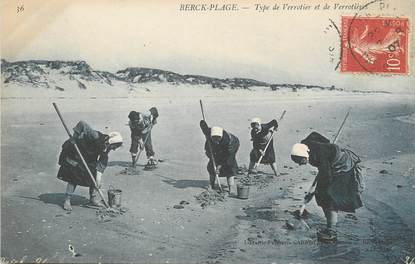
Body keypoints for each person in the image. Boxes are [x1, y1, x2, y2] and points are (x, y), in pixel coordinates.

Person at [291, 132, 363, 242]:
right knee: (322, 195)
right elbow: (314, 134)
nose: (300, 164)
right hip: (330, 163)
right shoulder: (305, 144)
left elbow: (326, 177)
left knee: (328, 197)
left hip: (343, 165)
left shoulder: (319, 156)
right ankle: (330, 222)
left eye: (300, 161)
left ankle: (331, 232)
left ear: (304, 155)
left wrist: (313, 193)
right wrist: (327, 144)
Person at [57, 121, 123, 211]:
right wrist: (74, 137)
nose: (114, 149)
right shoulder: (96, 136)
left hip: (88, 156)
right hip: (76, 150)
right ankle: (67, 200)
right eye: (115, 146)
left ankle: (93, 199)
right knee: (74, 176)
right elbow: (82, 124)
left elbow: (102, 161)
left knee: (94, 175)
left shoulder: (106, 147)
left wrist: (98, 178)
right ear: (111, 142)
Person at [200, 120, 240, 195]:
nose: (216, 141)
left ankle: (231, 187)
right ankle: (211, 184)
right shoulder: (209, 133)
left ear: (221, 137)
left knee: (229, 165)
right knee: (212, 165)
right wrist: (203, 123)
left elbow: (226, 156)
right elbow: (203, 126)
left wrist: (219, 166)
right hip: (215, 147)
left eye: (218, 139)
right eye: (214, 139)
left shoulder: (226, 141)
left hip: (232, 145)